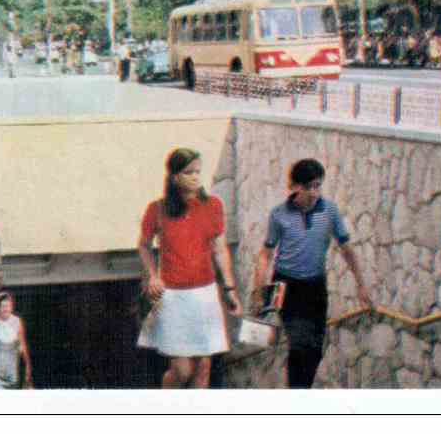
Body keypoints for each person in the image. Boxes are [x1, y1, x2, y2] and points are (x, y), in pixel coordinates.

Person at [251, 159, 372, 389]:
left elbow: (347, 250)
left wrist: (361, 285)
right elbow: (265, 255)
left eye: (318, 185)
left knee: (315, 350)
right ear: (295, 187)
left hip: (315, 287)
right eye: (310, 187)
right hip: (287, 285)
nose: (315, 192)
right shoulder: (279, 215)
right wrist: (259, 291)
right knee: (299, 343)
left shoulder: (329, 211)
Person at [136, 148, 243, 389]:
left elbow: (220, 249)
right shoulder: (158, 209)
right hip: (173, 298)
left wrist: (230, 288)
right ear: (174, 177)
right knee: (182, 370)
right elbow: (143, 246)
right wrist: (153, 276)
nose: (196, 177)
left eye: (198, 171)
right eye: (188, 172)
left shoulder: (213, 205)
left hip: (204, 295)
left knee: (204, 368)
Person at [0, 292, 33, 389]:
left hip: (13, 374)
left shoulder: (17, 321)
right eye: (2, 306)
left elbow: (23, 346)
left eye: (8, 305)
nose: (5, 309)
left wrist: (28, 366)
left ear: (12, 306)